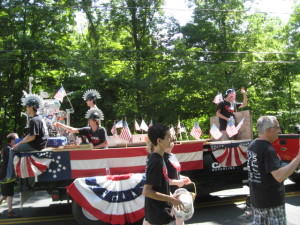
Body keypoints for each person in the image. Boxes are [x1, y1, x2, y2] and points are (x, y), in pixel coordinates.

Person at [247, 116, 300, 225]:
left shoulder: (253, 145)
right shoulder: (268, 149)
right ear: (268, 130)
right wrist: (298, 158)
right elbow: (279, 176)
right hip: (271, 203)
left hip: (257, 201)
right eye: (277, 128)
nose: (279, 131)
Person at [142, 124, 184, 225]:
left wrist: (172, 197)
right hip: (158, 216)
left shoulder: (160, 158)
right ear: (159, 141)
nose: (171, 139)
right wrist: (171, 199)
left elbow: (159, 187)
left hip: (162, 213)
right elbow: (147, 191)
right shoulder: (156, 161)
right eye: (168, 137)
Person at [6, 96, 48, 179]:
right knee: (16, 144)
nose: (26, 108)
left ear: (31, 107)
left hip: (36, 145)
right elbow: (31, 135)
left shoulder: (34, 120)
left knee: (12, 150)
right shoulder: (38, 118)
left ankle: (10, 176)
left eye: (27, 107)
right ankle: (19, 169)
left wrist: (19, 143)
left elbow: (32, 137)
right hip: (39, 143)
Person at [0, 133, 22, 218]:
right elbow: (14, 155)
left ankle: (10, 211)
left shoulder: (7, 148)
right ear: (12, 141)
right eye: (17, 139)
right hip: (6, 175)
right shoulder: (8, 149)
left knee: (5, 193)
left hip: (5, 174)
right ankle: (10, 212)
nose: (18, 141)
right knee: (8, 194)